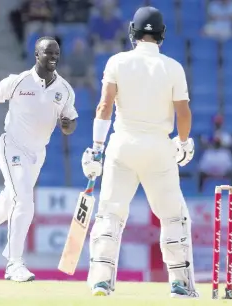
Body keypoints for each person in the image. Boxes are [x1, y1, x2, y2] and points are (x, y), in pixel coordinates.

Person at [80, 6, 197, 298]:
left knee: (109, 214)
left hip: (123, 146)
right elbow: (183, 112)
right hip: (159, 148)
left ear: (132, 32)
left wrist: (97, 149)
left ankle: (101, 282)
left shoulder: (117, 61)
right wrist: (183, 142)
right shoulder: (172, 67)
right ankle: (180, 284)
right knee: (173, 217)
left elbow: (104, 107)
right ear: (161, 35)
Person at [0, 36, 78, 282]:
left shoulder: (64, 90)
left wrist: (67, 126)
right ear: (36, 55)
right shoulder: (18, 81)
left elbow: (69, 124)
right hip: (11, 146)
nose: (54, 57)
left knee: (7, 205)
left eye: (57, 53)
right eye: (48, 53)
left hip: (38, 154)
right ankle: (14, 264)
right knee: (24, 202)